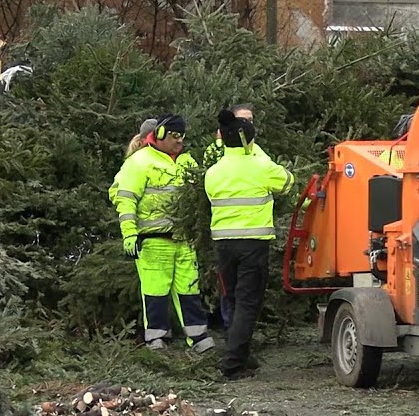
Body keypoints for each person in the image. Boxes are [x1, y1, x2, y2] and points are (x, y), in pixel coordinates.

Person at [110, 114, 215, 353]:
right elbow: (125, 199)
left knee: (190, 289)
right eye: (174, 136)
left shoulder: (188, 162)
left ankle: (199, 339)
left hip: (184, 240)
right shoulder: (140, 162)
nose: (179, 141)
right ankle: (157, 340)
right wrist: (129, 234)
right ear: (159, 136)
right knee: (155, 292)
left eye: (182, 136)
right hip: (153, 240)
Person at [204, 108, 295, 379]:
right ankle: (232, 364)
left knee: (231, 299)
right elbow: (287, 183)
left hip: (223, 245)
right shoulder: (260, 166)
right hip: (253, 244)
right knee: (247, 303)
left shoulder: (213, 172)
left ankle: (240, 355)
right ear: (247, 141)